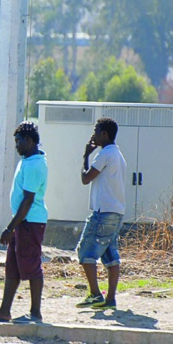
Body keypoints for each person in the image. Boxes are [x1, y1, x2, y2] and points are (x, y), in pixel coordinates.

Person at [0, 121, 48, 323]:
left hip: (30, 223)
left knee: (32, 267)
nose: (16, 146)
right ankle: (4, 311)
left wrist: (10, 227)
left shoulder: (35, 164)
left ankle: (35, 313)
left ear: (28, 140)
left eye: (18, 141)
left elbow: (28, 201)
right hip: (22, 223)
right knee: (13, 268)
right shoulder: (26, 160)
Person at [76, 117, 126, 311]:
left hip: (103, 212)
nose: (93, 135)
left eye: (96, 131)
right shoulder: (118, 154)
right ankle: (110, 298)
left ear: (104, 134)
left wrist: (85, 156)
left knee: (85, 252)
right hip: (117, 213)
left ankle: (95, 294)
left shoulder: (104, 154)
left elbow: (85, 178)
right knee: (110, 255)